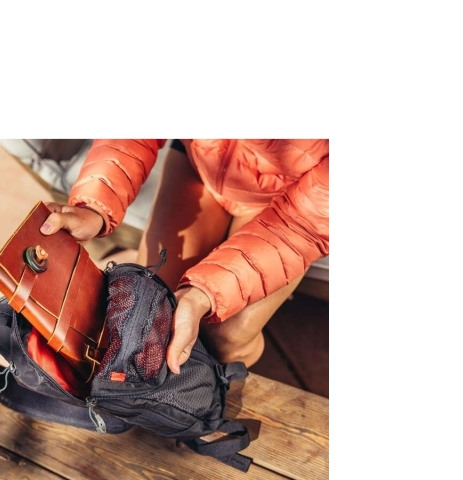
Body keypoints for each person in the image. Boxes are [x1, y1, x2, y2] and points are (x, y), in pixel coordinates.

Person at [38, 139, 329, 374]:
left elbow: (305, 224)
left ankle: (217, 390)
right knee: (149, 305)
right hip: (199, 167)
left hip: (290, 205)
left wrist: (204, 294)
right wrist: (95, 206)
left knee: (227, 337)